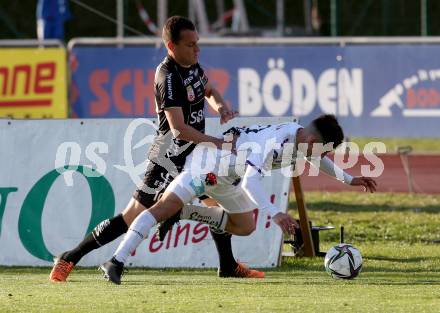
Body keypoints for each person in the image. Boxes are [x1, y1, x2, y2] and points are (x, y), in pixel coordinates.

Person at [49, 15, 264, 282]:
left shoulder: (193, 65)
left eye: (197, 43)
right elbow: (178, 129)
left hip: (197, 154)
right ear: (171, 47)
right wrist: (217, 142)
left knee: (215, 201)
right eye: (190, 45)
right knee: (131, 216)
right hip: (169, 158)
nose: (197, 50)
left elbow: (209, 90)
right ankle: (70, 257)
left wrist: (220, 107)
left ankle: (228, 266)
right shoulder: (168, 76)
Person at [100, 115, 377, 284]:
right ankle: (116, 261)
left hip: (228, 178)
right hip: (207, 165)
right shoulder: (276, 142)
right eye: (322, 149)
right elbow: (250, 182)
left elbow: (322, 160)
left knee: (244, 226)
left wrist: (351, 179)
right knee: (161, 208)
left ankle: (184, 213)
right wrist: (275, 213)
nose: (319, 155)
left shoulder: (305, 140)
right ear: (315, 139)